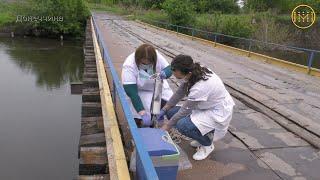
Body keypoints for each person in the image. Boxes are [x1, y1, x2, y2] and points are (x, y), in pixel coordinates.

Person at [158, 54, 235, 160]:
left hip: (217, 110)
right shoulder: (194, 71)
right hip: (205, 105)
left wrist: (167, 126)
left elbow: (184, 111)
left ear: (187, 73)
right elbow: (180, 92)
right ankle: (200, 135)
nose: (175, 75)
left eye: (177, 75)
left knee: (182, 125)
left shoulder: (200, 87)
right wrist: (165, 108)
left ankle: (207, 144)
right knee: (170, 112)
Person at [121, 44, 173, 127]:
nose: (146, 65)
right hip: (138, 89)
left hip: (156, 85)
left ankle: (156, 118)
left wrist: (165, 73)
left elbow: (170, 68)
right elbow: (132, 93)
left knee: (161, 104)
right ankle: (138, 121)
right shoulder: (129, 65)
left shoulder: (156, 56)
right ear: (138, 59)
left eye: (149, 63)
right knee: (138, 109)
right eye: (143, 63)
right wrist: (142, 113)